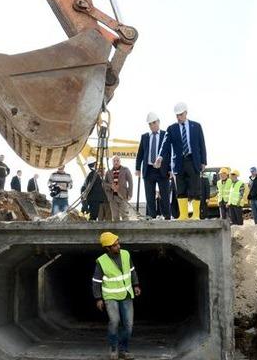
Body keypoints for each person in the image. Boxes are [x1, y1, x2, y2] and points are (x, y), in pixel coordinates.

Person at [93, 232, 141, 360]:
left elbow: (132, 271)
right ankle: (114, 348)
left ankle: (123, 350)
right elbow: (96, 281)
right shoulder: (101, 261)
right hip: (110, 296)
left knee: (129, 324)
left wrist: (136, 285)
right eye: (114, 245)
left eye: (118, 243)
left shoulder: (126, 254)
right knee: (114, 321)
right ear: (107, 248)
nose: (118, 246)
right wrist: (98, 298)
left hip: (126, 294)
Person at [156, 102, 207, 220]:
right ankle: (183, 215)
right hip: (179, 163)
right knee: (180, 188)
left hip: (193, 161)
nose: (179, 117)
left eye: (180, 114)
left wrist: (203, 161)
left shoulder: (196, 126)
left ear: (186, 113)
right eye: (177, 115)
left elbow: (202, 144)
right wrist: (160, 157)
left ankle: (195, 215)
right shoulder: (171, 129)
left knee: (195, 188)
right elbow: (165, 145)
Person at [135, 112, 170, 219]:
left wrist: (170, 169)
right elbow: (140, 153)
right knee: (149, 196)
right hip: (148, 170)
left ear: (158, 122)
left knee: (164, 195)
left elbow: (170, 153)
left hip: (162, 170)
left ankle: (167, 216)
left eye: (154, 123)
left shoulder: (165, 135)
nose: (152, 125)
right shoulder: (145, 137)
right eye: (150, 124)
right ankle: (152, 217)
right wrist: (137, 168)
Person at [105, 155, 133, 221]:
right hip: (112, 198)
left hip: (123, 196)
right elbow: (104, 184)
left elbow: (130, 182)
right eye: (114, 161)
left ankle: (126, 231)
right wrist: (111, 186)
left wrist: (130, 194)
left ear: (120, 161)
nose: (116, 162)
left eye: (117, 161)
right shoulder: (108, 172)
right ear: (112, 162)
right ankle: (116, 231)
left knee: (125, 216)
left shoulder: (125, 170)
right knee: (115, 217)